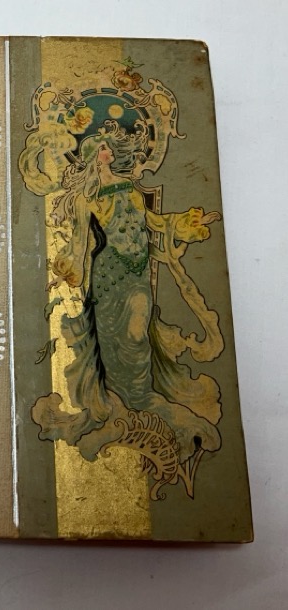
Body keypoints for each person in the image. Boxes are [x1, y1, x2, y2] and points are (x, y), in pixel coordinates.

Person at [32, 121, 224, 475]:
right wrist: (64, 272)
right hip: (108, 278)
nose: (109, 152)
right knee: (115, 341)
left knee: (137, 334)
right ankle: (122, 402)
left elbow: (156, 223)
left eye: (108, 147)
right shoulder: (86, 198)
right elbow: (78, 244)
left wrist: (190, 222)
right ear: (94, 155)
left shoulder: (131, 189)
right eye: (102, 148)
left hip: (137, 274)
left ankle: (142, 396)